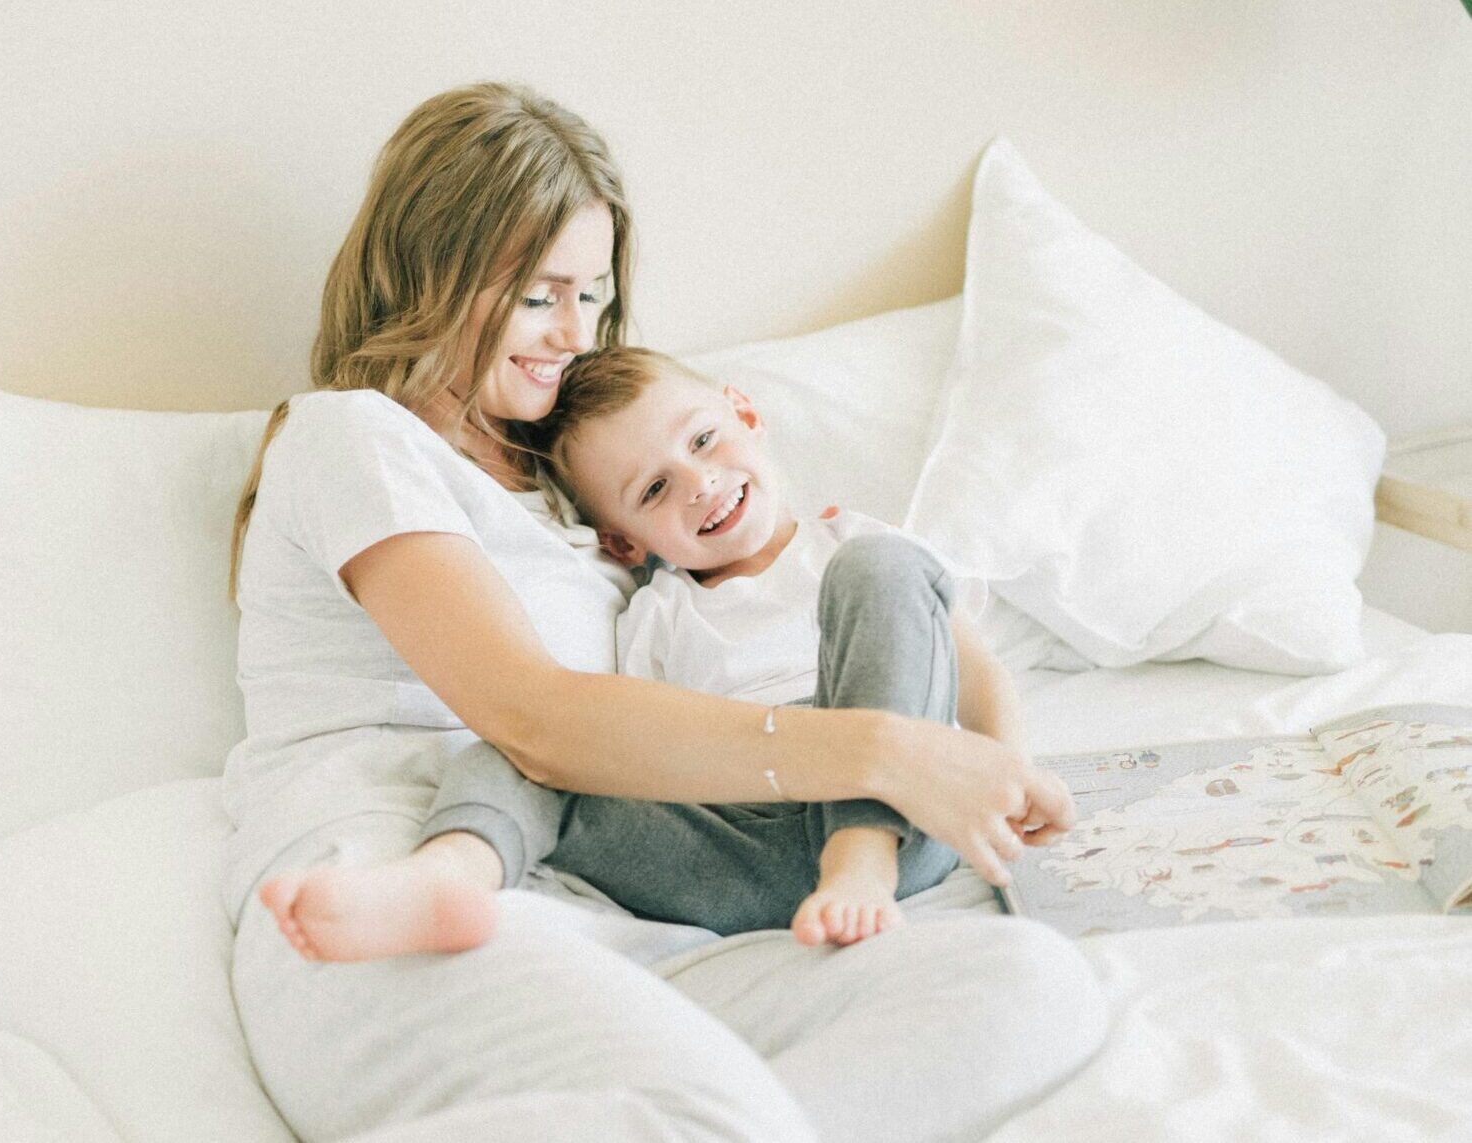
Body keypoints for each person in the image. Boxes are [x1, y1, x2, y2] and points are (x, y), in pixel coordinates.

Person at [225, 81, 1107, 1143]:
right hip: (389, 890)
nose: (572, 333)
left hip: (623, 909)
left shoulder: (582, 497)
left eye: (590, 297)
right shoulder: (351, 438)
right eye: (541, 294)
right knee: (702, 1109)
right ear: (436, 269)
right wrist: (882, 752)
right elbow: (534, 720)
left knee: (1027, 986)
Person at [284, 344, 1022, 955]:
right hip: (736, 848)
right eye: (655, 488)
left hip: (905, 816)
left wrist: (1010, 772)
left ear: (746, 412)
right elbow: (632, 755)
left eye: (703, 440)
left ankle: (857, 856)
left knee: (883, 567)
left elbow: (970, 668)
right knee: (528, 746)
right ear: (622, 541)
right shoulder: (654, 616)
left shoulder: (851, 543)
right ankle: (449, 873)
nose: (700, 484)